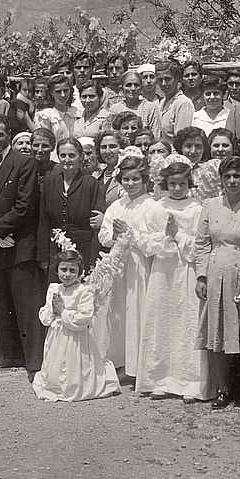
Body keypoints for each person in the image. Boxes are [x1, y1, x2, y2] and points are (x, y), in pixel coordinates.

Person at [0, 116, 45, 379]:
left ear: (8, 134)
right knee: (3, 303)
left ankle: (34, 361)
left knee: (26, 305)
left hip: (19, 243)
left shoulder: (24, 163)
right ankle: (10, 355)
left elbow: (25, 205)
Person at [195, 156, 240, 411]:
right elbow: (203, 243)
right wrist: (202, 276)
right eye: (227, 177)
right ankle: (223, 389)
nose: (232, 181)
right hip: (216, 273)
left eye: (237, 175)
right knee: (217, 331)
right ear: (221, 180)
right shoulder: (210, 206)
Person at [135, 158, 209, 402]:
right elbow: (144, 240)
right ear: (165, 184)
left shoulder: (197, 209)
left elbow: (200, 244)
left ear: (190, 183)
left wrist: (178, 235)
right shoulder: (155, 208)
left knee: (186, 321)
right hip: (163, 271)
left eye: (182, 184)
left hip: (186, 271)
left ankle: (191, 382)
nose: (178, 189)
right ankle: (159, 379)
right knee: (161, 321)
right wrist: (165, 239)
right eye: (173, 184)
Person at [32, 249, 121, 402]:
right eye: (63, 269)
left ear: (80, 272)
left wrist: (64, 312)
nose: (67, 274)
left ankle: (76, 384)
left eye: (72, 270)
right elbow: (45, 317)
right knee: (55, 364)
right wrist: (53, 311)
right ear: (57, 270)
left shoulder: (84, 291)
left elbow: (84, 318)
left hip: (76, 339)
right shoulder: (54, 288)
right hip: (57, 336)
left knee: (74, 369)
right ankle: (55, 384)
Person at [97, 154, 157, 375]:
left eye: (135, 179)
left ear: (144, 180)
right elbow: (102, 236)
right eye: (126, 179)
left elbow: (154, 240)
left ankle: (138, 365)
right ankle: (118, 361)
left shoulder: (151, 206)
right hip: (116, 265)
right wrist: (114, 235)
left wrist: (131, 235)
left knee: (136, 310)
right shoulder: (116, 206)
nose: (130, 184)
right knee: (116, 313)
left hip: (139, 264)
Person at [37, 137, 106, 275]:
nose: (67, 159)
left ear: (80, 157)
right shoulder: (50, 181)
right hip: (55, 250)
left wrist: (93, 258)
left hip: (83, 250)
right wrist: (43, 256)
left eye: (72, 155)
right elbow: (43, 220)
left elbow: (96, 223)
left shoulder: (90, 183)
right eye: (63, 155)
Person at [110, 69, 162, 136]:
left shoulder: (150, 108)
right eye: (128, 85)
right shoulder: (115, 109)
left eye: (136, 85)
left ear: (141, 89)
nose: (133, 89)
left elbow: (155, 134)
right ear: (121, 89)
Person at [34, 74, 81, 144]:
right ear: (51, 93)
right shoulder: (44, 116)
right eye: (58, 92)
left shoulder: (77, 112)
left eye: (65, 91)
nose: (63, 95)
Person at [157, 60, 195, 140]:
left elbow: (181, 138)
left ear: (177, 78)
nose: (164, 83)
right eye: (160, 80)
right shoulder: (162, 102)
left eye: (168, 79)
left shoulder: (183, 103)